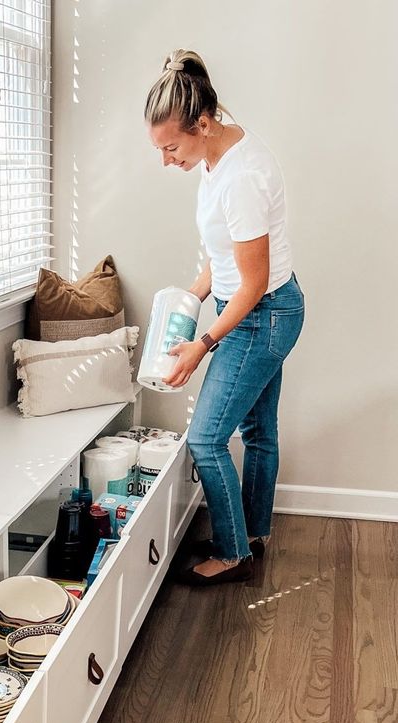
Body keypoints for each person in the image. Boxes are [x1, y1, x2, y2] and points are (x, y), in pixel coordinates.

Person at [145, 50, 305, 586]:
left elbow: (254, 282)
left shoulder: (242, 177)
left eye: (171, 147)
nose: (166, 161)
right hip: (252, 309)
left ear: (203, 125)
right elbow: (223, 252)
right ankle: (253, 532)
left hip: (263, 315)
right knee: (259, 430)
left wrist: (203, 344)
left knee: (206, 439)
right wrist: (189, 301)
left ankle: (233, 553)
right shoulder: (217, 156)